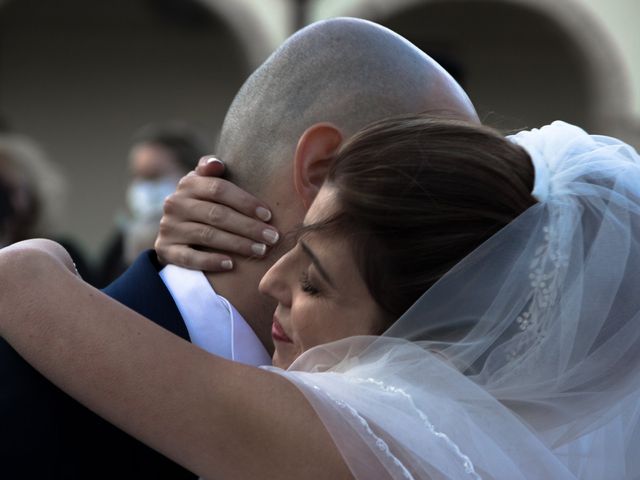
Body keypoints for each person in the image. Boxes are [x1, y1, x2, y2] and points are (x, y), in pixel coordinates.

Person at [2, 115, 640, 479]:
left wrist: (46, 251)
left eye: (313, 281)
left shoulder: (344, 444)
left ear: (426, 330)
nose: (271, 281)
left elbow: (17, 281)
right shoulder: (474, 448)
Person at [0, 18, 477, 478]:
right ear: (321, 170)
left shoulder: (430, 423)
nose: (462, 247)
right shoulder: (20, 380)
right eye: (431, 194)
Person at [97, 121, 209, 287]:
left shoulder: (208, 238)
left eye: (154, 176)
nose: (143, 187)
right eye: (137, 176)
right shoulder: (120, 244)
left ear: (192, 175)